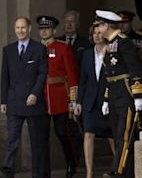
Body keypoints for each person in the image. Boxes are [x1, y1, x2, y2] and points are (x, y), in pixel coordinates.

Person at [94, 10, 142, 178]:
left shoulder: (124, 43)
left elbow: (135, 69)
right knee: (118, 135)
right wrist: (106, 99)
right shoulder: (110, 44)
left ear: (107, 25)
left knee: (125, 135)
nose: (98, 30)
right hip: (115, 93)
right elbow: (111, 76)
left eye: (100, 26)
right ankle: (124, 171)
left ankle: (118, 171)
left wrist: (138, 95)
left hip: (126, 92)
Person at [0, 17, 50, 178]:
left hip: (33, 101)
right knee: (12, 139)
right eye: (17, 28)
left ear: (29, 28)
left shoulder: (39, 49)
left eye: (23, 28)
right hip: (14, 101)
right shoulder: (8, 50)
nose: (20, 31)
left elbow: (42, 74)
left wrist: (34, 93)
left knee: (37, 142)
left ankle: (39, 174)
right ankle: (7, 170)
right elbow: (4, 77)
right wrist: (3, 100)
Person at [37, 15, 79, 178]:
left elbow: (72, 75)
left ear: (54, 30)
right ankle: (44, 170)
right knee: (42, 136)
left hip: (60, 96)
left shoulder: (63, 48)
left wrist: (73, 99)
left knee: (62, 133)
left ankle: (71, 162)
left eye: (47, 28)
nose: (44, 31)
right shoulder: (34, 48)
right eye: (41, 29)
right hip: (41, 97)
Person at [74, 21, 114, 178]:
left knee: (111, 136)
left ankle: (118, 168)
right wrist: (78, 102)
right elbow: (83, 79)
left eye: (99, 32)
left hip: (107, 101)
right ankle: (89, 172)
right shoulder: (87, 54)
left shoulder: (112, 51)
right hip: (90, 101)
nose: (97, 36)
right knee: (88, 134)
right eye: (94, 33)